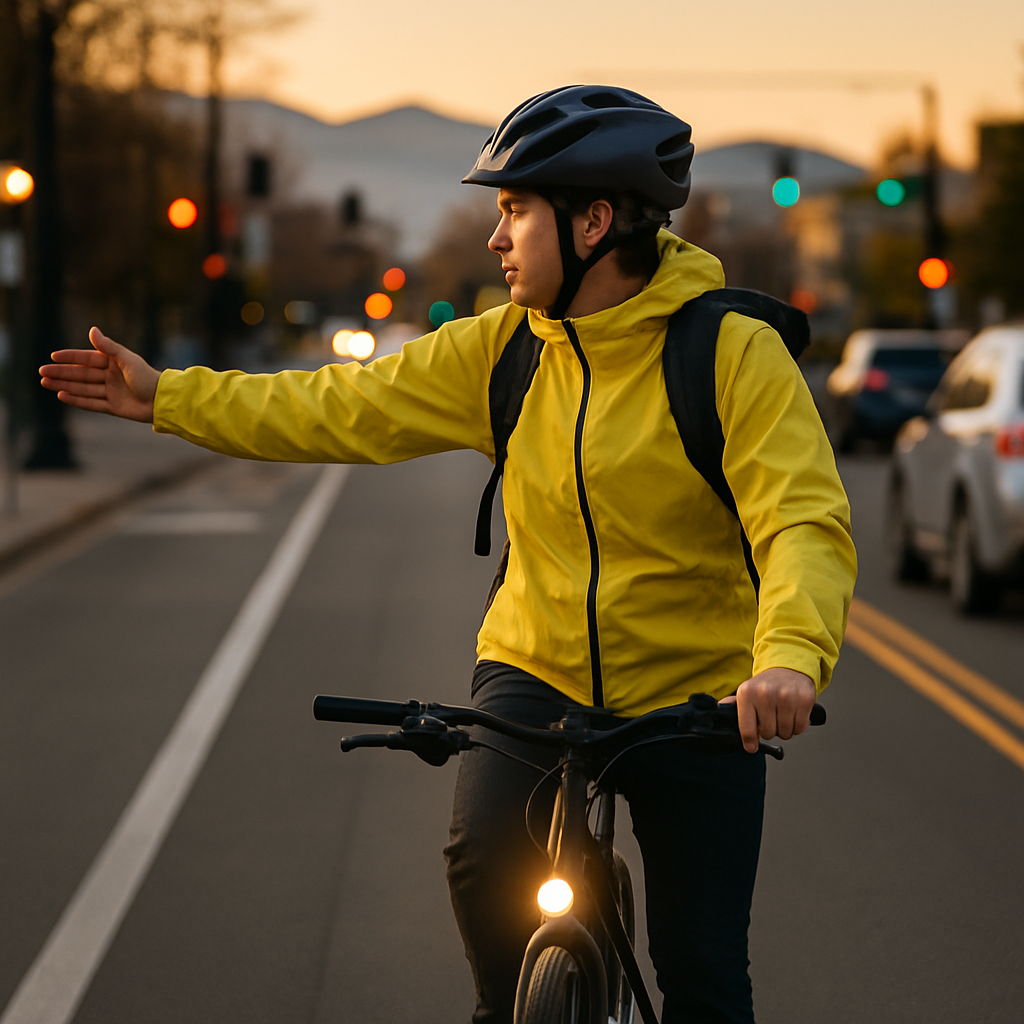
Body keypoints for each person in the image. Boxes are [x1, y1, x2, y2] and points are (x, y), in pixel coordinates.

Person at [40, 85, 856, 1023]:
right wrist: (168, 399)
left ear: (593, 222)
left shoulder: (730, 354)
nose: (497, 238)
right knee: (483, 865)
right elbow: (338, 408)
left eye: (515, 211)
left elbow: (801, 520)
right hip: (536, 668)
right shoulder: (503, 352)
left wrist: (788, 660)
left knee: (703, 970)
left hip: (697, 697)